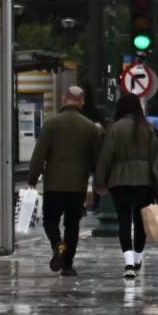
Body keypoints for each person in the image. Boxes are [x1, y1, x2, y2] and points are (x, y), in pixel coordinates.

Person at [28, 86, 101, 277]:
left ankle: (57, 245)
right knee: (72, 224)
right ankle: (68, 265)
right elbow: (96, 159)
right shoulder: (90, 127)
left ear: (63, 99)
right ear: (82, 102)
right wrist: (100, 182)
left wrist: (33, 178)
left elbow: (39, 155)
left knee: (50, 221)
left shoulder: (52, 124)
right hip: (78, 186)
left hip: (54, 185)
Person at [96, 94, 158, 280]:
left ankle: (128, 263)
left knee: (124, 221)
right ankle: (137, 258)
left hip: (119, 181)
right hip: (144, 182)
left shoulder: (114, 128)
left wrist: (100, 181)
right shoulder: (148, 129)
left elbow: (106, 157)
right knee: (141, 222)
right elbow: (155, 160)